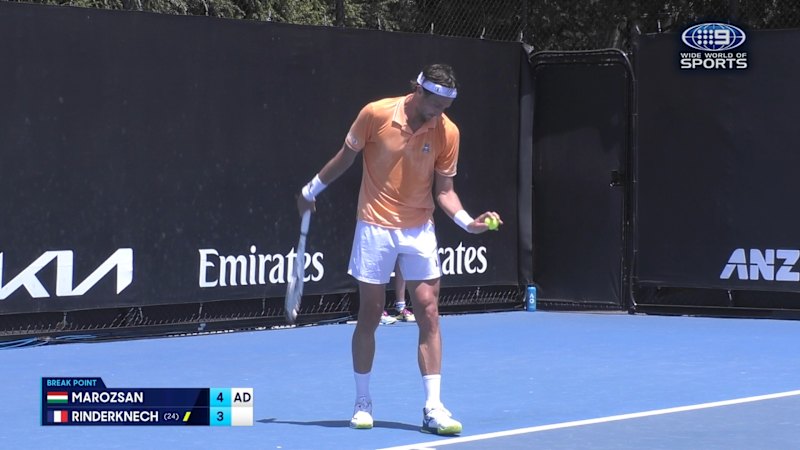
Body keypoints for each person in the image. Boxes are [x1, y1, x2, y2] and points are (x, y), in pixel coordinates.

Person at [296, 63, 502, 435]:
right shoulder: (375, 114)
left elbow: (444, 191)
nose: (439, 113)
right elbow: (345, 158)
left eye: (446, 107)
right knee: (370, 313)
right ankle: (362, 401)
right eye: (435, 104)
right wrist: (311, 191)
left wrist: (468, 223)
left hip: (419, 228)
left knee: (429, 310)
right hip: (374, 226)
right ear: (419, 91)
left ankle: (433, 407)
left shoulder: (448, 131)